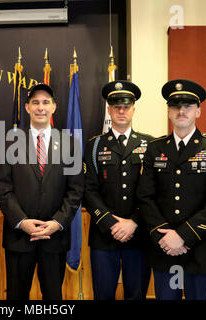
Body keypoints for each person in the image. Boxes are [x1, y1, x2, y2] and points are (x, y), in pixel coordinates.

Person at [136, 79, 206, 300]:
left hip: (199, 250)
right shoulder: (154, 148)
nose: (181, 111)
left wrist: (183, 236)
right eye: (176, 106)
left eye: (187, 106)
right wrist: (166, 237)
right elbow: (145, 196)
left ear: (198, 111)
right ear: (169, 111)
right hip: (165, 250)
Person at [0, 83, 84, 300]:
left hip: (55, 238)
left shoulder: (70, 144)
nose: (40, 107)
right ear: (27, 107)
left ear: (54, 107)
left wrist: (57, 223)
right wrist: (22, 221)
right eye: (35, 102)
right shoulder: (8, 142)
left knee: (53, 298)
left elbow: (75, 190)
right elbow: (3, 188)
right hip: (19, 237)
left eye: (46, 102)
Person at [84, 81, 153, 300]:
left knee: (137, 294)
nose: (121, 111)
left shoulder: (150, 144)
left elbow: (153, 192)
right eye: (116, 105)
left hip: (139, 235)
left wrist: (134, 222)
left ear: (133, 108)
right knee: (103, 295)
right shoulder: (94, 145)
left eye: (126, 105)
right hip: (104, 236)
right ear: (109, 109)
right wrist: (111, 224)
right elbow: (88, 190)